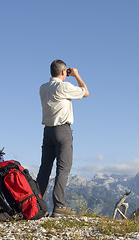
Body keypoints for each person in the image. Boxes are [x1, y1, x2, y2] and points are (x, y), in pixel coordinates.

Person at [36, 59, 89, 216]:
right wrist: (77, 75)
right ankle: (59, 206)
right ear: (63, 72)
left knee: (44, 168)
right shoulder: (63, 86)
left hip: (47, 131)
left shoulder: (43, 88)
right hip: (62, 130)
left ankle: (36, 204)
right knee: (63, 168)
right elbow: (85, 92)